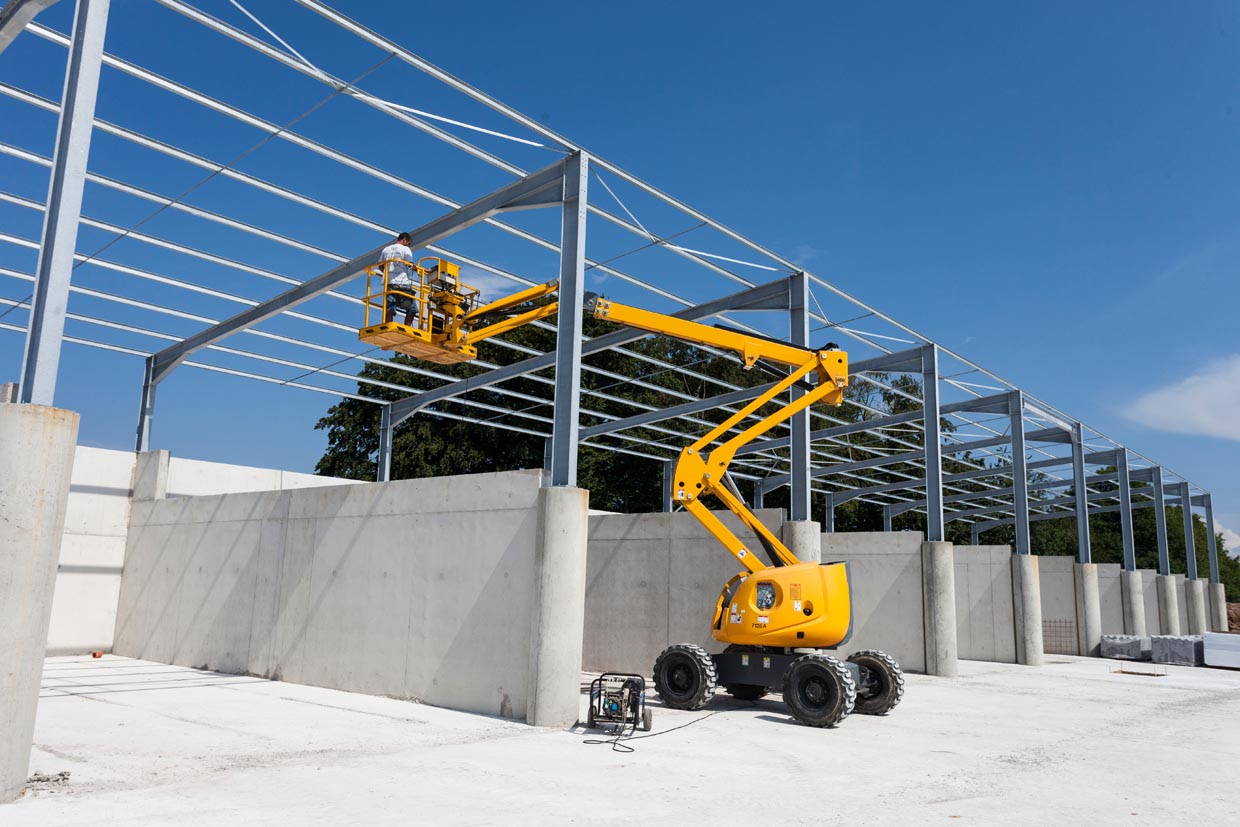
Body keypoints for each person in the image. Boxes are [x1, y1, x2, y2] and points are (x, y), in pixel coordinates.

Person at [380, 232, 418, 325]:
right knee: (412, 308)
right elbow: (410, 265)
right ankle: (407, 328)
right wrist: (421, 270)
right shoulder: (405, 249)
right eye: (408, 243)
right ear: (404, 240)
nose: (408, 245)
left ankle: (388, 325)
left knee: (390, 306)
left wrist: (387, 273)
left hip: (388, 282)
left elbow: (380, 266)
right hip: (402, 282)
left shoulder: (386, 249)